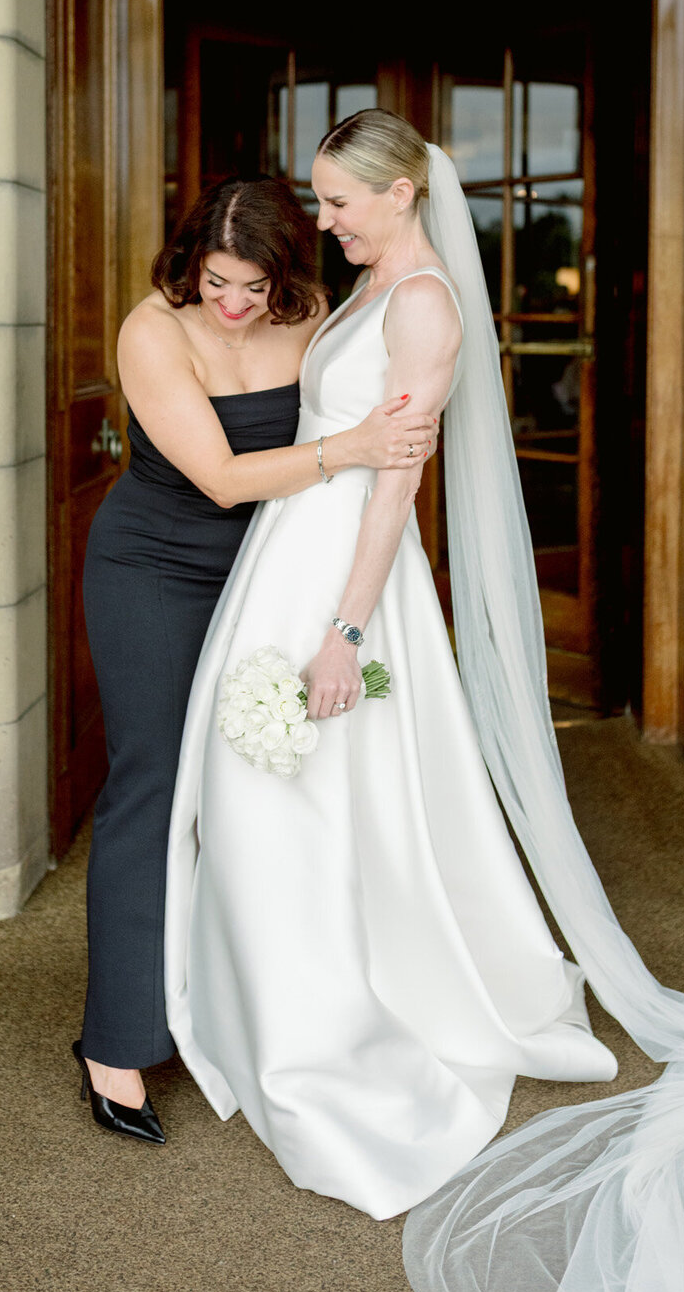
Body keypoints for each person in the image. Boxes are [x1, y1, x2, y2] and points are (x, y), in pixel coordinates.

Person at [165, 114, 684, 1292]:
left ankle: (320, 1035)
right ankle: (272, 1004)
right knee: (268, 796)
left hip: (343, 579)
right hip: (288, 552)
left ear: (402, 191)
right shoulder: (370, 289)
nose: (324, 221)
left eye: (339, 201)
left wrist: (346, 631)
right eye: (320, 200)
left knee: (306, 801)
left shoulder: (424, 304)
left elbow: (395, 482)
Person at [75, 175, 436, 1144]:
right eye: (216, 282)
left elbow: (379, 382)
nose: (234, 305)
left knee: (264, 788)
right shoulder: (153, 329)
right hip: (155, 566)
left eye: (255, 287)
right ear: (189, 265)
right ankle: (115, 1041)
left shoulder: (313, 314)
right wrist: (357, 447)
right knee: (154, 785)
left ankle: (260, 1010)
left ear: (286, 276)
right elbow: (225, 480)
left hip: (271, 568)